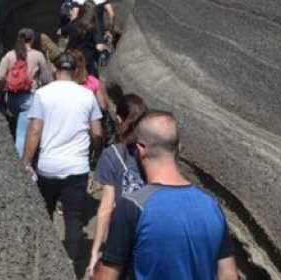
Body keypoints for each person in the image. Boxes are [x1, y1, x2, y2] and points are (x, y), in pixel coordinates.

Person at [94, 112, 238, 280]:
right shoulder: (211, 205)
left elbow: (107, 277)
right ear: (179, 148)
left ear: (140, 149)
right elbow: (229, 275)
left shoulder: (133, 205)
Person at [22, 52, 104, 276]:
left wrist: (26, 161)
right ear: (74, 70)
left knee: (44, 211)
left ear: (55, 69)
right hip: (77, 167)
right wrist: (96, 155)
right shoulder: (86, 95)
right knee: (74, 217)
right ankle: (69, 264)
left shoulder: (42, 94)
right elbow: (97, 132)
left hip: (48, 166)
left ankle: (45, 256)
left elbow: (35, 130)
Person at [85, 94, 147, 278]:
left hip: (123, 235)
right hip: (153, 232)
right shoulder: (154, 151)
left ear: (119, 119)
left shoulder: (112, 154)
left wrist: (95, 250)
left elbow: (105, 208)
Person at [0, 28, 52, 157]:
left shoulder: (9, 55)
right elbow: (46, 80)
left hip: (10, 99)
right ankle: (19, 167)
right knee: (22, 134)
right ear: (32, 39)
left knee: (13, 128)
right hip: (28, 99)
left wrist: (0, 93)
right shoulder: (38, 55)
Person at [61, 0, 106, 77]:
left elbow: (61, 32)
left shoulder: (73, 23)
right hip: (87, 60)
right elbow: (99, 47)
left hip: (72, 56)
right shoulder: (93, 27)